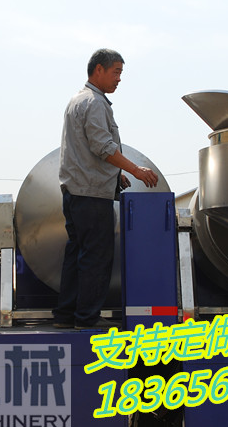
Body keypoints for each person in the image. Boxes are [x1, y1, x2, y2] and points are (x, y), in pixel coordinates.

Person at [53, 48, 159, 330]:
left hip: (75, 192)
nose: (119, 79)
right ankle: (87, 318)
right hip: (91, 196)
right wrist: (135, 170)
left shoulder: (77, 99)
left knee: (76, 254)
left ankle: (65, 315)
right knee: (96, 257)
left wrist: (115, 175)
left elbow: (84, 150)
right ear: (98, 70)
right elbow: (102, 146)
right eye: (116, 72)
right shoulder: (95, 103)